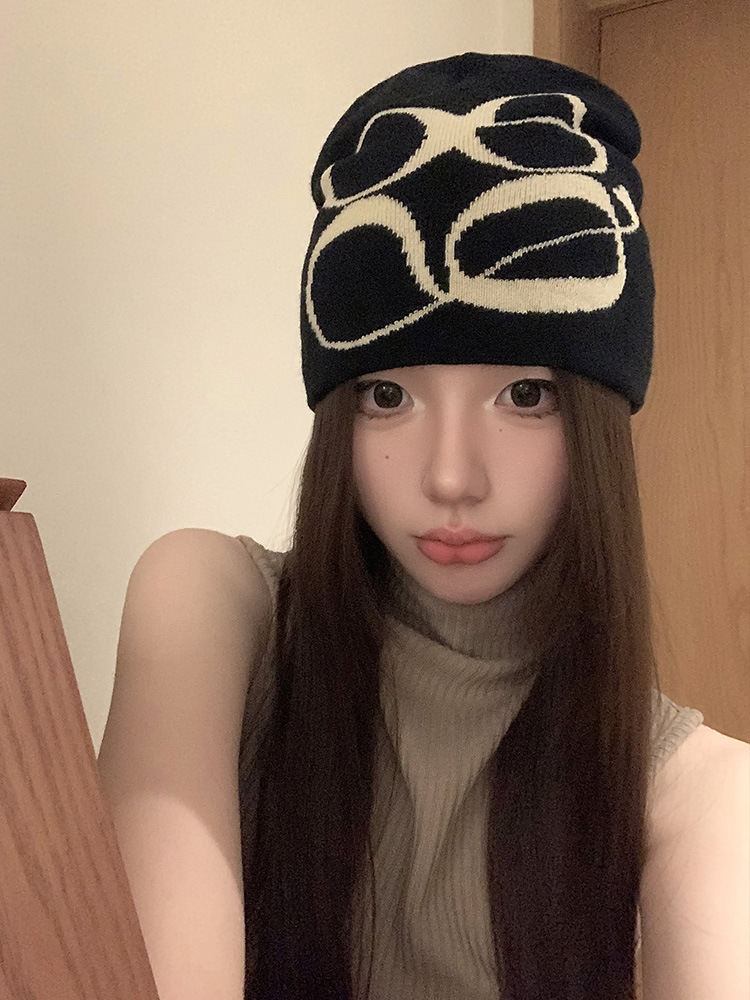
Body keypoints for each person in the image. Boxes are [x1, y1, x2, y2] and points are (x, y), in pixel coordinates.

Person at [97, 53, 748, 1000]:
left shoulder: (700, 794)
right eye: (388, 395)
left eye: (525, 395)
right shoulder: (211, 610)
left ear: (598, 420)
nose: (450, 477)